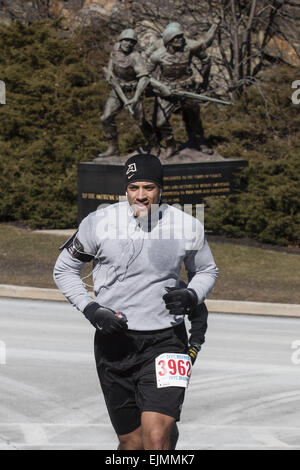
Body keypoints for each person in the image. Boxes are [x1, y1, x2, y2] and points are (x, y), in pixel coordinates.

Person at [53, 154, 218, 450]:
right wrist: (91, 310)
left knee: (156, 436)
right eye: (134, 188)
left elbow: (206, 270)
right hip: (115, 343)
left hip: (166, 341)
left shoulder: (187, 225)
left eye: (149, 187)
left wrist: (192, 294)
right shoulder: (99, 222)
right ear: (126, 189)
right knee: (132, 442)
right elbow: (64, 268)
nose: (141, 195)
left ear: (161, 188)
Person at [148, 22, 219, 158]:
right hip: (167, 92)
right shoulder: (157, 54)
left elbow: (206, 58)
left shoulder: (189, 47)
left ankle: (200, 142)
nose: (181, 39)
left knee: (194, 118)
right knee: (160, 122)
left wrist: (204, 81)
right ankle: (170, 144)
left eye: (181, 37)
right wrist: (160, 87)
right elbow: (145, 74)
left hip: (187, 89)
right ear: (169, 40)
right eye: (177, 37)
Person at [96, 29, 157, 159]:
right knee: (106, 118)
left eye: (132, 42)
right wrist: (109, 75)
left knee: (140, 121)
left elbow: (144, 78)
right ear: (121, 40)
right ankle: (113, 149)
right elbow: (110, 69)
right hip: (117, 91)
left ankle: (155, 144)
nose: (128, 44)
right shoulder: (115, 51)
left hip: (133, 91)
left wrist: (135, 98)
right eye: (126, 40)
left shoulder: (135, 57)